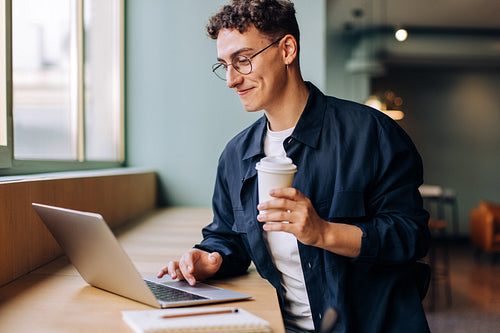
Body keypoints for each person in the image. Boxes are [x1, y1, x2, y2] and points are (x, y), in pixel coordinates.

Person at [157, 1, 431, 332]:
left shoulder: (370, 133)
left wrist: (325, 232)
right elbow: (227, 237)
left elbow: (410, 236)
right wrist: (209, 258)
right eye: (224, 65)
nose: (231, 79)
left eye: (243, 60)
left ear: (287, 49)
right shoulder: (236, 155)